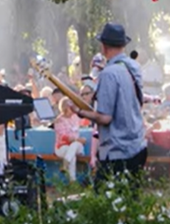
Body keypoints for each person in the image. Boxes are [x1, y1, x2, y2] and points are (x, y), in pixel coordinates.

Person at [76, 23, 147, 185]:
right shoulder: (133, 66)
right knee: (130, 201)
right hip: (137, 145)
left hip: (118, 150)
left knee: (105, 202)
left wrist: (80, 112)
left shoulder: (109, 74)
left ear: (104, 46)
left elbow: (105, 117)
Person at [54, 99, 86, 183]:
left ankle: (65, 163)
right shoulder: (59, 121)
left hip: (76, 145)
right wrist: (77, 139)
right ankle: (73, 180)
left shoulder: (75, 117)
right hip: (63, 146)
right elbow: (64, 137)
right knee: (72, 154)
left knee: (74, 145)